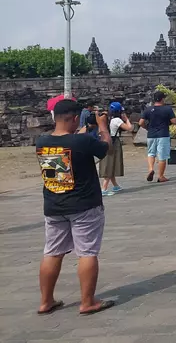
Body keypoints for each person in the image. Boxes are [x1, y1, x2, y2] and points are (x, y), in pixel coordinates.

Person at [35, 99, 115, 316]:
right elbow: (107, 148)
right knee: (87, 252)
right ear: (73, 118)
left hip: (54, 204)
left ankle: (45, 301)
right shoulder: (82, 142)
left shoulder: (41, 141)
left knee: (52, 252)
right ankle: (87, 302)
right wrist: (102, 126)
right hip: (84, 205)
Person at [139, 90, 176, 183]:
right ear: (163, 99)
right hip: (163, 134)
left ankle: (151, 169)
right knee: (162, 156)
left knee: (151, 153)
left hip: (151, 134)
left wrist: (147, 127)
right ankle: (160, 176)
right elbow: (174, 121)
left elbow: (140, 123)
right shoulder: (167, 109)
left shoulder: (148, 109)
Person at [99, 103, 133, 196]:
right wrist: (126, 119)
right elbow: (129, 128)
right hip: (114, 142)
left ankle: (115, 185)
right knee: (110, 163)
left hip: (106, 140)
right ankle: (104, 188)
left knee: (111, 163)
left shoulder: (107, 118)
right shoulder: (116, 120)